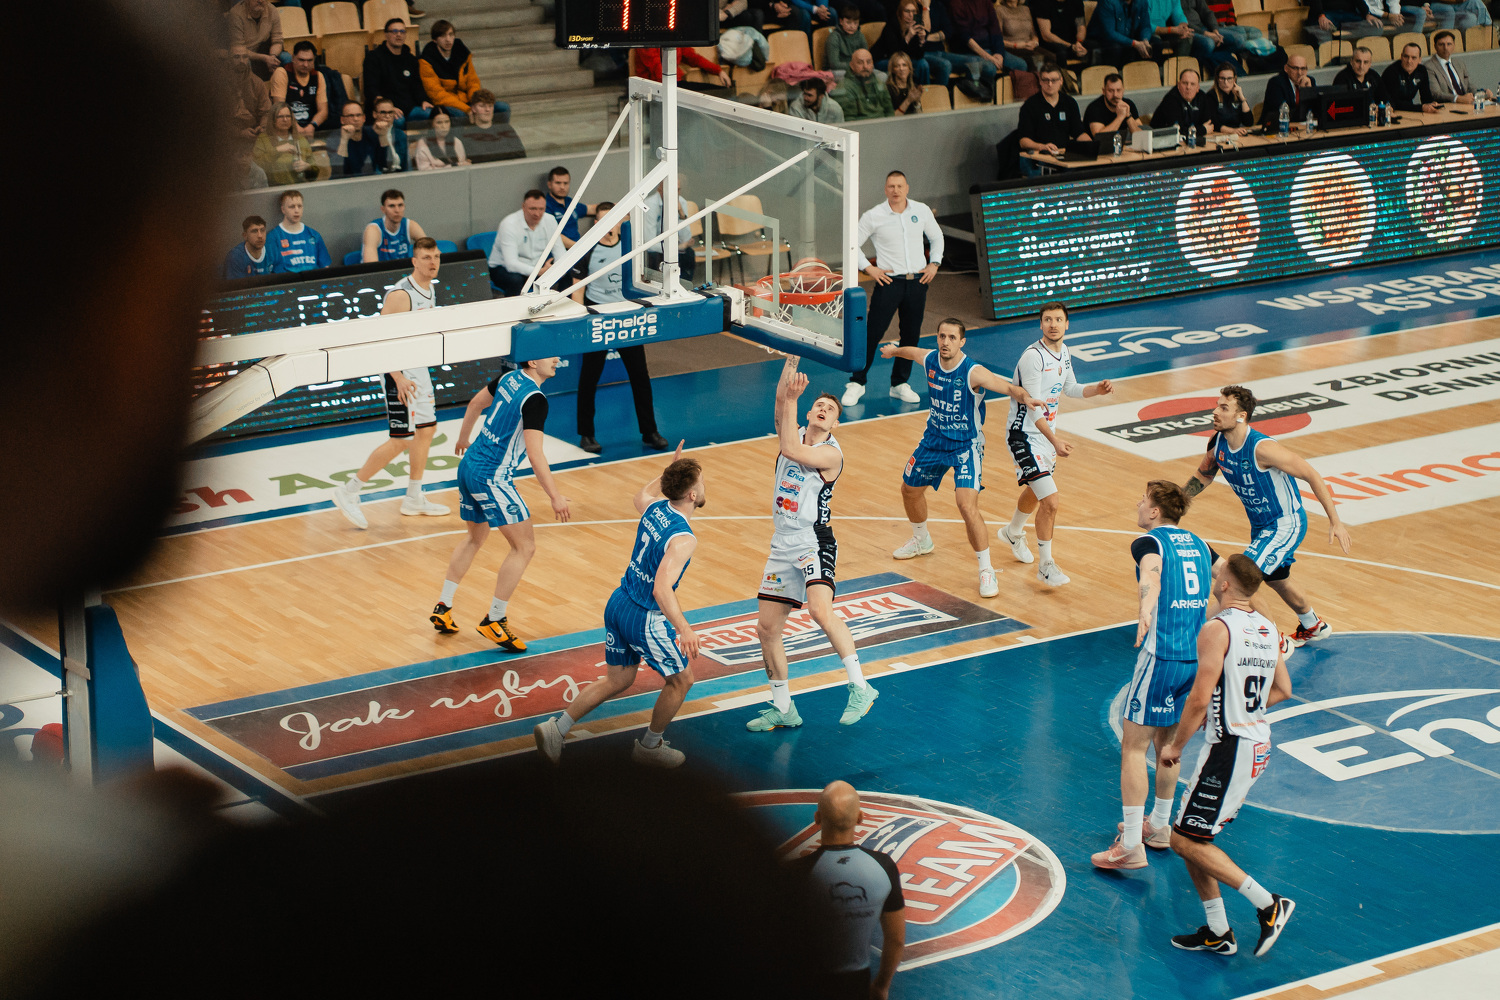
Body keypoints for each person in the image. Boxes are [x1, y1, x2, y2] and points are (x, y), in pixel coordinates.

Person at [1160, 555, 1295, 959]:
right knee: (1193, 836)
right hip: (1253, 741)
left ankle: (1269, 904)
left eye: (1216, 574)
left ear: (1224, 585)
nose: (1213, 578)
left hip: (1230, 747)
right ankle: (1219, 931)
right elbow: (1283, 690)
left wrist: (1176, 746)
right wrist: (1239, 708)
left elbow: (1199, 698)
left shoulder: (1217, 629)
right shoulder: (1268, 628)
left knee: (1183, 840)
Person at [533, 451, 704, 768]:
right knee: (682, 681)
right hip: (643, 616)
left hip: (619, 602)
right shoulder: (683, 538)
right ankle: (649, 747)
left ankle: (557, 729)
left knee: (619, 678)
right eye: (700, 483)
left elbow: (640, 495)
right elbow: (661, 589)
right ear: (692, 494)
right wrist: (684, 629)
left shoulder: (655, 508)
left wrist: (666, 474)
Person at [746, 358, 876, 732]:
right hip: (781, 544)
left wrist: (791, 400)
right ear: (808, 412)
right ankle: (783, 707)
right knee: (766, 629)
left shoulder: (831, 453)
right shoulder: (793, 430)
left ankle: (861, 686)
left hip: (813, 540)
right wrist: (791, 358)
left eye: (830, 409)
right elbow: (779, 402)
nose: (822, 409)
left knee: (820, 610)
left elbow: (790, 448)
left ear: (835, 423)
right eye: (818, 404)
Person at [1091, 482, 1215, 871]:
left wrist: (1146, 608)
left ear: (1156, 511)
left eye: (1143, 500)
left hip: (1161, 656)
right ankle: (1159, 826)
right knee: (1168, 746)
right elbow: (1230, 581)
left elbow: (1151, 573)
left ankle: (1130, 844)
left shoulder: (1149, 542)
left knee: (1133, 748)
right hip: (1194, 659)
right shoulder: (1202, 545)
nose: (1138, 504)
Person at [1182, 385, 1353, 653]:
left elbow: (1311, 474)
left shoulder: (1263, 449)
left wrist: (1335, 521)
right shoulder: (1218, 444)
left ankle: (1275, 642)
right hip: (1261, 526)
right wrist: (1178, 501)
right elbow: (1204, 475)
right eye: (1217, 405)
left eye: (1223, 408)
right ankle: (1312, 625)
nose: (1215, 411)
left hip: (1285, 524)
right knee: (1277, 578)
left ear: (1241, 416)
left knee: (1237, 580)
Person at [884, 319, 1037, 599]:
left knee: (966, 505)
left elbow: (1006, 387)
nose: (945, 342)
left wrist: (1025, 397)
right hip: (933, 440)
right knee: (909, 490)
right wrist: (894, 351)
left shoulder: (972, 371)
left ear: (962, 341)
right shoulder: (931, 359)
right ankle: (922, 540)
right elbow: (912, 352)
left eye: (952, 337)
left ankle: (986, 569)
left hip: (966, 445)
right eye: (942, 336)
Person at [435, 356, 573, 652]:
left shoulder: (509, 377)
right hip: (492, 476)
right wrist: (555, 496)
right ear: (533, 361)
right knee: (525, 547)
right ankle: (494, 619)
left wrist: (463, 438)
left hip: (469, 465)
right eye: (551, 356)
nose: (557, 360)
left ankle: (443, 606)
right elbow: (535, 454)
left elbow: (475, 403)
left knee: (474, 538)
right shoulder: (535, 399)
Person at [330, 238, 452, 530]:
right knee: (402, 439)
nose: (433, 262)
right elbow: (379, 340)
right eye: (426, 257)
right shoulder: (401, 294)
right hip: (400, 375)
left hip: (418, 370)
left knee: (427, 430)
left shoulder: (430, 288)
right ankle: (349, 491)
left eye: (436, 256)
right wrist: (397, 377)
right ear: (414, 261)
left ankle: (413, 497)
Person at [998, 302, 1113, 588]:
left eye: (1058, 319)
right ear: (1040, 324)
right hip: (1024, 435)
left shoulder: (1064, 352)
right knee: (1050, 501)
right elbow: (1034, 408)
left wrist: (1096, 390)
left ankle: (1012, 532)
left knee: (1036, 490)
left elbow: (1070, 388)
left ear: (1067, 324)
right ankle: (1046, 566)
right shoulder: (1033, 357)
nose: (1053, 324)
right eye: (1048, 319)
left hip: (1046, 436)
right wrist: (1055, 440)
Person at [790, 782, 906, 1000]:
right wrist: (881, 986)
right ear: (860, 818)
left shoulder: (797, 873)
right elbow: (896, 939)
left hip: (806, 983)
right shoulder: (884, 867)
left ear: (817, 818)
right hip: (856, 984)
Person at [571, 202, 670, 454]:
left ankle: (650, 432)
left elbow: (643, 280)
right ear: (596, 224)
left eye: (614, 220)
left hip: (626, 318)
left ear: (620, 223)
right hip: (598, 319)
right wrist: (582, 323)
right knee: (589, 378)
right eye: (604, 221)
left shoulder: (630, 246)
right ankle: (586, 434)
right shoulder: (587, 249)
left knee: (640, 376)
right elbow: (577, 291)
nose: (610, 226)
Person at [842, 171, 942, 407]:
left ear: (907, 188)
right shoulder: (873, 216)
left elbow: (937, 237)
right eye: (891, 186)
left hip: (917, 282)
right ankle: (857, 382)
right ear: (885, 189)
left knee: (911, 334)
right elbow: (852, 244)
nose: (895, 190)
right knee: (873, 332)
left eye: (899, 186)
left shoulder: (921, 210)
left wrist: (935, 263)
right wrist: (869, 269)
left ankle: (899, 383)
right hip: (889, 283)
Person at [1016, 64, 1087, 177]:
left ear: (1061, 81)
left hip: (1062, 154)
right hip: (1038, 156)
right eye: (1046, 80)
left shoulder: (1069, 103)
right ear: (1040, 82)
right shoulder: (1030, 105)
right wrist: (1042, 146)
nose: (1049, 84)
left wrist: (1092, 145)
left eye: (1053, 80)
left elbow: (1078, 132)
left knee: (1085, 168)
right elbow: (1023, 141)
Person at [363, 19, 435, 124]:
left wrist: (424, 101)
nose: (399, 35)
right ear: (386, 35)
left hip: (410, 108)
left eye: (402, 31)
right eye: (394, 31)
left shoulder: (411, 59)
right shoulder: (373, 58)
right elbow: (371, 89)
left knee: (433, 114)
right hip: (386, 109)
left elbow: (417, 85)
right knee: (398, 121)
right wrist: (388, 108)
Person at [489, 189, 558, 296]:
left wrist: (555, 268)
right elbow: (511, 264)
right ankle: (514, 306)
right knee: (515, 280)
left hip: (535, 267)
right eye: (532, 209)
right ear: (523, 207)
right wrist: (538, 271)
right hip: (503, 268)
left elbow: (560, 251)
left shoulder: (550, 220)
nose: (537, 214)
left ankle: (562, 303)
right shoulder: (509, 224)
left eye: (541, 209)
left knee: (566, 273)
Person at [420, 19, 483, 123]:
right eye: (443, 36)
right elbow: (438, 95)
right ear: (435, 40)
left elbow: (473, 81)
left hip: (467, 100)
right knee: (461, 115)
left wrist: (475, 102)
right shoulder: (427, 60)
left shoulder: (462, 52)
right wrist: (467, 109)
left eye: (450, 35)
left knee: (502, 108)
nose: (448, 40)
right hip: (447, 103)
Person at [948, 0, 1011, 99]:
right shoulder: (956, 3)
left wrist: (999, 53)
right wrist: (989, 57)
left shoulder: (986, 2)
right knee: (989, 67)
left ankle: (1011, 102)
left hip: (991, 50)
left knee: (1020, 65)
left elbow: (995, 31)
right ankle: (985, 99)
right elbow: (965, 38)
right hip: (968, 51)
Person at [270, 41, 327, 137]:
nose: (306, 64)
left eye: (309, 60)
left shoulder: (318, 76)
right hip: (285, 127)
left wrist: (312, 126)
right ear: (293, 58)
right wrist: (296, 128)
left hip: (310, 127)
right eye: (301, 60)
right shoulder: (282, 73)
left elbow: (323, 110)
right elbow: (279, 108)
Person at [253, 103, 317, 186]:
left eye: (288, 116)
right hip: (273, 188)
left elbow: (315, 174)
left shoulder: (300, 139)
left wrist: (308, 167)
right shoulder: (263, 139)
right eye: (280, 116)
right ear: (273, 120)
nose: (285, 120)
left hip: (299, 186)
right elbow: (257, 167)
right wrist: (277, 150)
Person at [543, 166, 597, 264]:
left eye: (565, 183)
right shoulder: (544, 206)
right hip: (560, 256)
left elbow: (592, 209)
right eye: (558, 183)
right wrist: (580, 248)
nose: (562, 187)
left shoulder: (569, 202)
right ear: (549, 184)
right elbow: (553, 237)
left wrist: (621, 207)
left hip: (577, 252)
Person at [268, 189, 331, 271]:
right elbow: (268, 269)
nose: (296, 210)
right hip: (287, 279)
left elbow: (325, 266)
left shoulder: (314, 235)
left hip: (313, 278)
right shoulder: (273, 237)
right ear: (283, 210)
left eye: (299, 206)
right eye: (292, 207)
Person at [873, 0, 934, 82]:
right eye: (907, 11)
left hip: (904, 59)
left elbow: (919, 56)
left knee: (922, 63)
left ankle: (924, 89)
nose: (911, 15)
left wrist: (921, 41)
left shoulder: (915, 24)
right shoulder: (892, 26)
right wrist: (908, 37)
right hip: (884, 60)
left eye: (913, 11)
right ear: (900, 13)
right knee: (919, 65)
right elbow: (895, 54)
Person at [362, 189, 428, 263]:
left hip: (403, 270)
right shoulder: (373, 230)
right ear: (383, 209)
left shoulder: (410, 226)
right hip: (380, 270)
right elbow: (371, 266)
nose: (397, 210)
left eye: (400, 205)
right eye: (391, 206)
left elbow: (431, 251)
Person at [333, 102, 398, 175]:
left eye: (358, 115)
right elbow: (337, 171)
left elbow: (387, 166)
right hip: (347, 180)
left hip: (370, 178)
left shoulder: (372, 133)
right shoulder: (333, 138)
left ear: (364, 118)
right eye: (351, 116)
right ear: (342, 120)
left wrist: (383, 136)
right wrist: (344, 140)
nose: (355, 119)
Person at [460, 90, 524, 163]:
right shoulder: (466, 134)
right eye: (482, 106)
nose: (487, 109)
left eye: (490, 106)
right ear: (474, 109)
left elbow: (521, 154)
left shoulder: (505, 128)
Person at [1429, 30, 1492, 103]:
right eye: (1441, 44)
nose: (1445, 48)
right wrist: (1458, 99)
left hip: (1466, 104)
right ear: (1435, 46)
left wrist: (1483, 93)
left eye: (1449, 44)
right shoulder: (1429, 67)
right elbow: (1436, 94)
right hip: (1447, 106)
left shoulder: (1459, 64)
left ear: (1454, 46)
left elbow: (1470, 88)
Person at [1087, 0, 1154, 68]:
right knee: (1116, 48)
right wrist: (1134, 43)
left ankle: (1146, 73)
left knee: (1154, 44)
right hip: (1102, 40)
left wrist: (1145, 40)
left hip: (1128, 37)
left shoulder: (1142, 2)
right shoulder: (1107, 2)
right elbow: (1109, 33)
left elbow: (1145, 26)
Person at [1152, 68, 1217, 137]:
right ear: (1178, 85)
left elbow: (1209, 123)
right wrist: (1202, 130)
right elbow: (1177, 130)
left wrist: (1202, 129)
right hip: (1161, 139)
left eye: (1192, 84)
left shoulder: (1201, 96)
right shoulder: (1171, 100)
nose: (1188, 87)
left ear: (1198, 88)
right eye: (1185, 83)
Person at [831, 49, 895, 119]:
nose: (865, 66)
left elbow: (889, 111)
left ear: (872, 64)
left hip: (884, 123)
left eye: (868, 62)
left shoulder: (879, 82)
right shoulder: (845, 87)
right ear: (852, 65)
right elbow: (849, 119)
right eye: (860, 63)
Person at [226, 0, 283, 79]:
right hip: (246, 54)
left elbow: (277, 40)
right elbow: (238, 49)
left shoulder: (272, 10)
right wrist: (265, 58)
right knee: (244, 63)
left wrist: (272, 57)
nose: (260, 1)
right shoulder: (236, 14)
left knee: (286, 58)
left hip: (265, 50)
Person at [1260, 53, 1317, 127]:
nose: (1299, 73)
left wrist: (1309, 90)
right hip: (1274, 127)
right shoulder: (1276, 83)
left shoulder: (1310, 81)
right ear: (1286, 68)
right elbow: (1284, 114)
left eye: (1303, 69)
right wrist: (1304, 93)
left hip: (1302, 127)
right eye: (1295, 68)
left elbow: (1316, 109)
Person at [228, 45, 272, 140]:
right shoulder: (219, 84)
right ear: (229, 59)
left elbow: (266, 112)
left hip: (254, 133)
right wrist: (239, 133)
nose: (241, 61)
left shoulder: (257, 82)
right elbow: (216, 120)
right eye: (236, 57)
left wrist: (262, 127)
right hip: (228, 137)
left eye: (245, 57)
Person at [1382, 42, 1439, 113]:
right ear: (1401, 57)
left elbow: (1426, 96)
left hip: (1409, 110)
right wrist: (1421, 108)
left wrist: (1431, 104)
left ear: (1420, 60)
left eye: (1413, 58)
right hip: (1392, 111)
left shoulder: (1422, 70)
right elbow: (1394, 102)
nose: (1409, 61)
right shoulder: (1391, 72)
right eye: (1406, 56)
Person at [1030, 0, 1089, 67]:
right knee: (1061, 50)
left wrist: (1079, 42)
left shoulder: (1077, 2)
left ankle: (1086, 73)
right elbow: (1046, 35)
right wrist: (1070, 46)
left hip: (1073, 41)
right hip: (1050, 42)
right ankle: (1062, 73)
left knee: (1093, 46)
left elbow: (1081, 27)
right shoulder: (1042, 3)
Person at [634, 47, 732, 86]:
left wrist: (718, 71)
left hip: (674, 83)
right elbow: (658, 70)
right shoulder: (647, 41)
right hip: (655, 87)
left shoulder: (675, 35)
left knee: (718, 92)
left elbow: (693, 58)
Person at [996, 0, 1049, 73]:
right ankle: (1034, 80)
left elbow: (1033, 34)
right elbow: (997, 39)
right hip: (1012, 47)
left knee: (1051, 57)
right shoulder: (999, 10)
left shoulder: (1025, 9)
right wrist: (1016, 45)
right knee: (1036, 61)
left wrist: (1035, 43)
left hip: (1029, 46)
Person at [1304, 0, 1385, 45]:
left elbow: (1359, 2)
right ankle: (1330, 49)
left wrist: (1367, 14)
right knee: (1321, 25)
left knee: (1375, 26)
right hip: (1327, 14)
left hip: (1348, 16)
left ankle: (1352, 47)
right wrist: (1321, 15)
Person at [1208, 63, 1254, 132]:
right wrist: (1232, 131)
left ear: (1234, 79)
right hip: (1218, 134)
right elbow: (1213, 124)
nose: (1226, 82)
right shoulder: (1211, 96)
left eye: (1229, 78)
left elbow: (1249, 122)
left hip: (1236, 133)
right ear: (1217, 79)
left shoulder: (1237, 95)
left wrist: (1242, 99)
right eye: (1222, 78)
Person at [370, 96, 412, 172]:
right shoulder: (368, 135)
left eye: (390, 112)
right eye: (383, 112)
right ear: (374, 114)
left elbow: (406, 166)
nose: (387, 116)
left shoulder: (401, 135)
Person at [826, 6, 866, 74]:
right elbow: (834, 64)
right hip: (837, 71)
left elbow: (866, 57)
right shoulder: (834, 37)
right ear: (841, 21)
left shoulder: (860, 36)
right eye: (848, 22)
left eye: (855, 23)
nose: (852, 26)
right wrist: (856, 66)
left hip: (857, 68)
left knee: (882, 75)